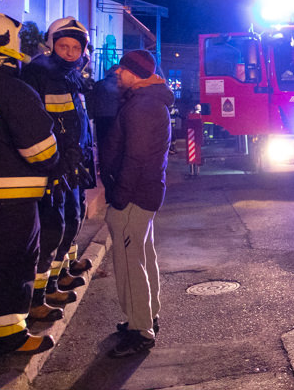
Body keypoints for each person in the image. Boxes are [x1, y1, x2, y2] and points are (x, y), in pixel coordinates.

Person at [0, 14, 60, 356]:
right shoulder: (12, 90)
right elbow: (41, 150)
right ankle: (9, 336)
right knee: (12, 265)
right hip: (12, 202)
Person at [21, 17, 95, 321]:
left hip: (73, 163)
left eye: (74, 47)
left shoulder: (72, 75)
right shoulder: (40, 72)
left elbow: (77, 120)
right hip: (54, 166)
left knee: (73, 217)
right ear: (53, 45)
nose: (68, 52)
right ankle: (40, 295)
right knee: (52, 228)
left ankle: (60, 273)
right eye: (63, 46)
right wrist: (55, 162)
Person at [101, 49, 173, 358]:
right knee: (143, 256)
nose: (117, 73)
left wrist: (119, 195)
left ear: (135, 73)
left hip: (133, 196)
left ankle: (140, 331)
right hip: (144, 193)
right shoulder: (147, 102)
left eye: (122, 69)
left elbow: (135, 157)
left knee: (130, 264)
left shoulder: (142, 106)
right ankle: (146, 316)